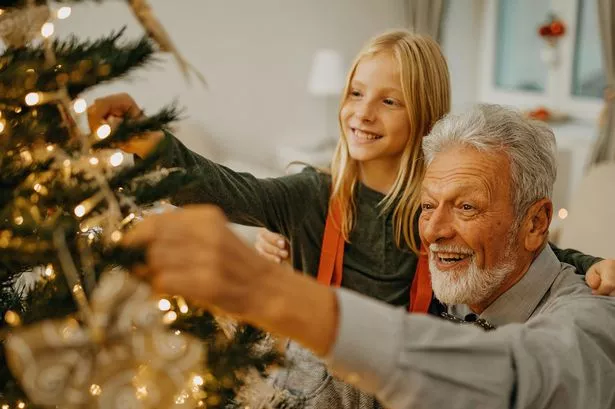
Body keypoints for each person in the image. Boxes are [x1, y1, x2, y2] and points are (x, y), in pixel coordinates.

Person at [88, 30, 612, 407]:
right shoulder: (313, 195)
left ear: (425, 116)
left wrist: (594, 266)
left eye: (389, 101)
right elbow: (226, 188)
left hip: (411, 378)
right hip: (324, 373)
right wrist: (150, 140)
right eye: (356, 94)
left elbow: (525, 251)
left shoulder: (435, 203)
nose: (363, 113)